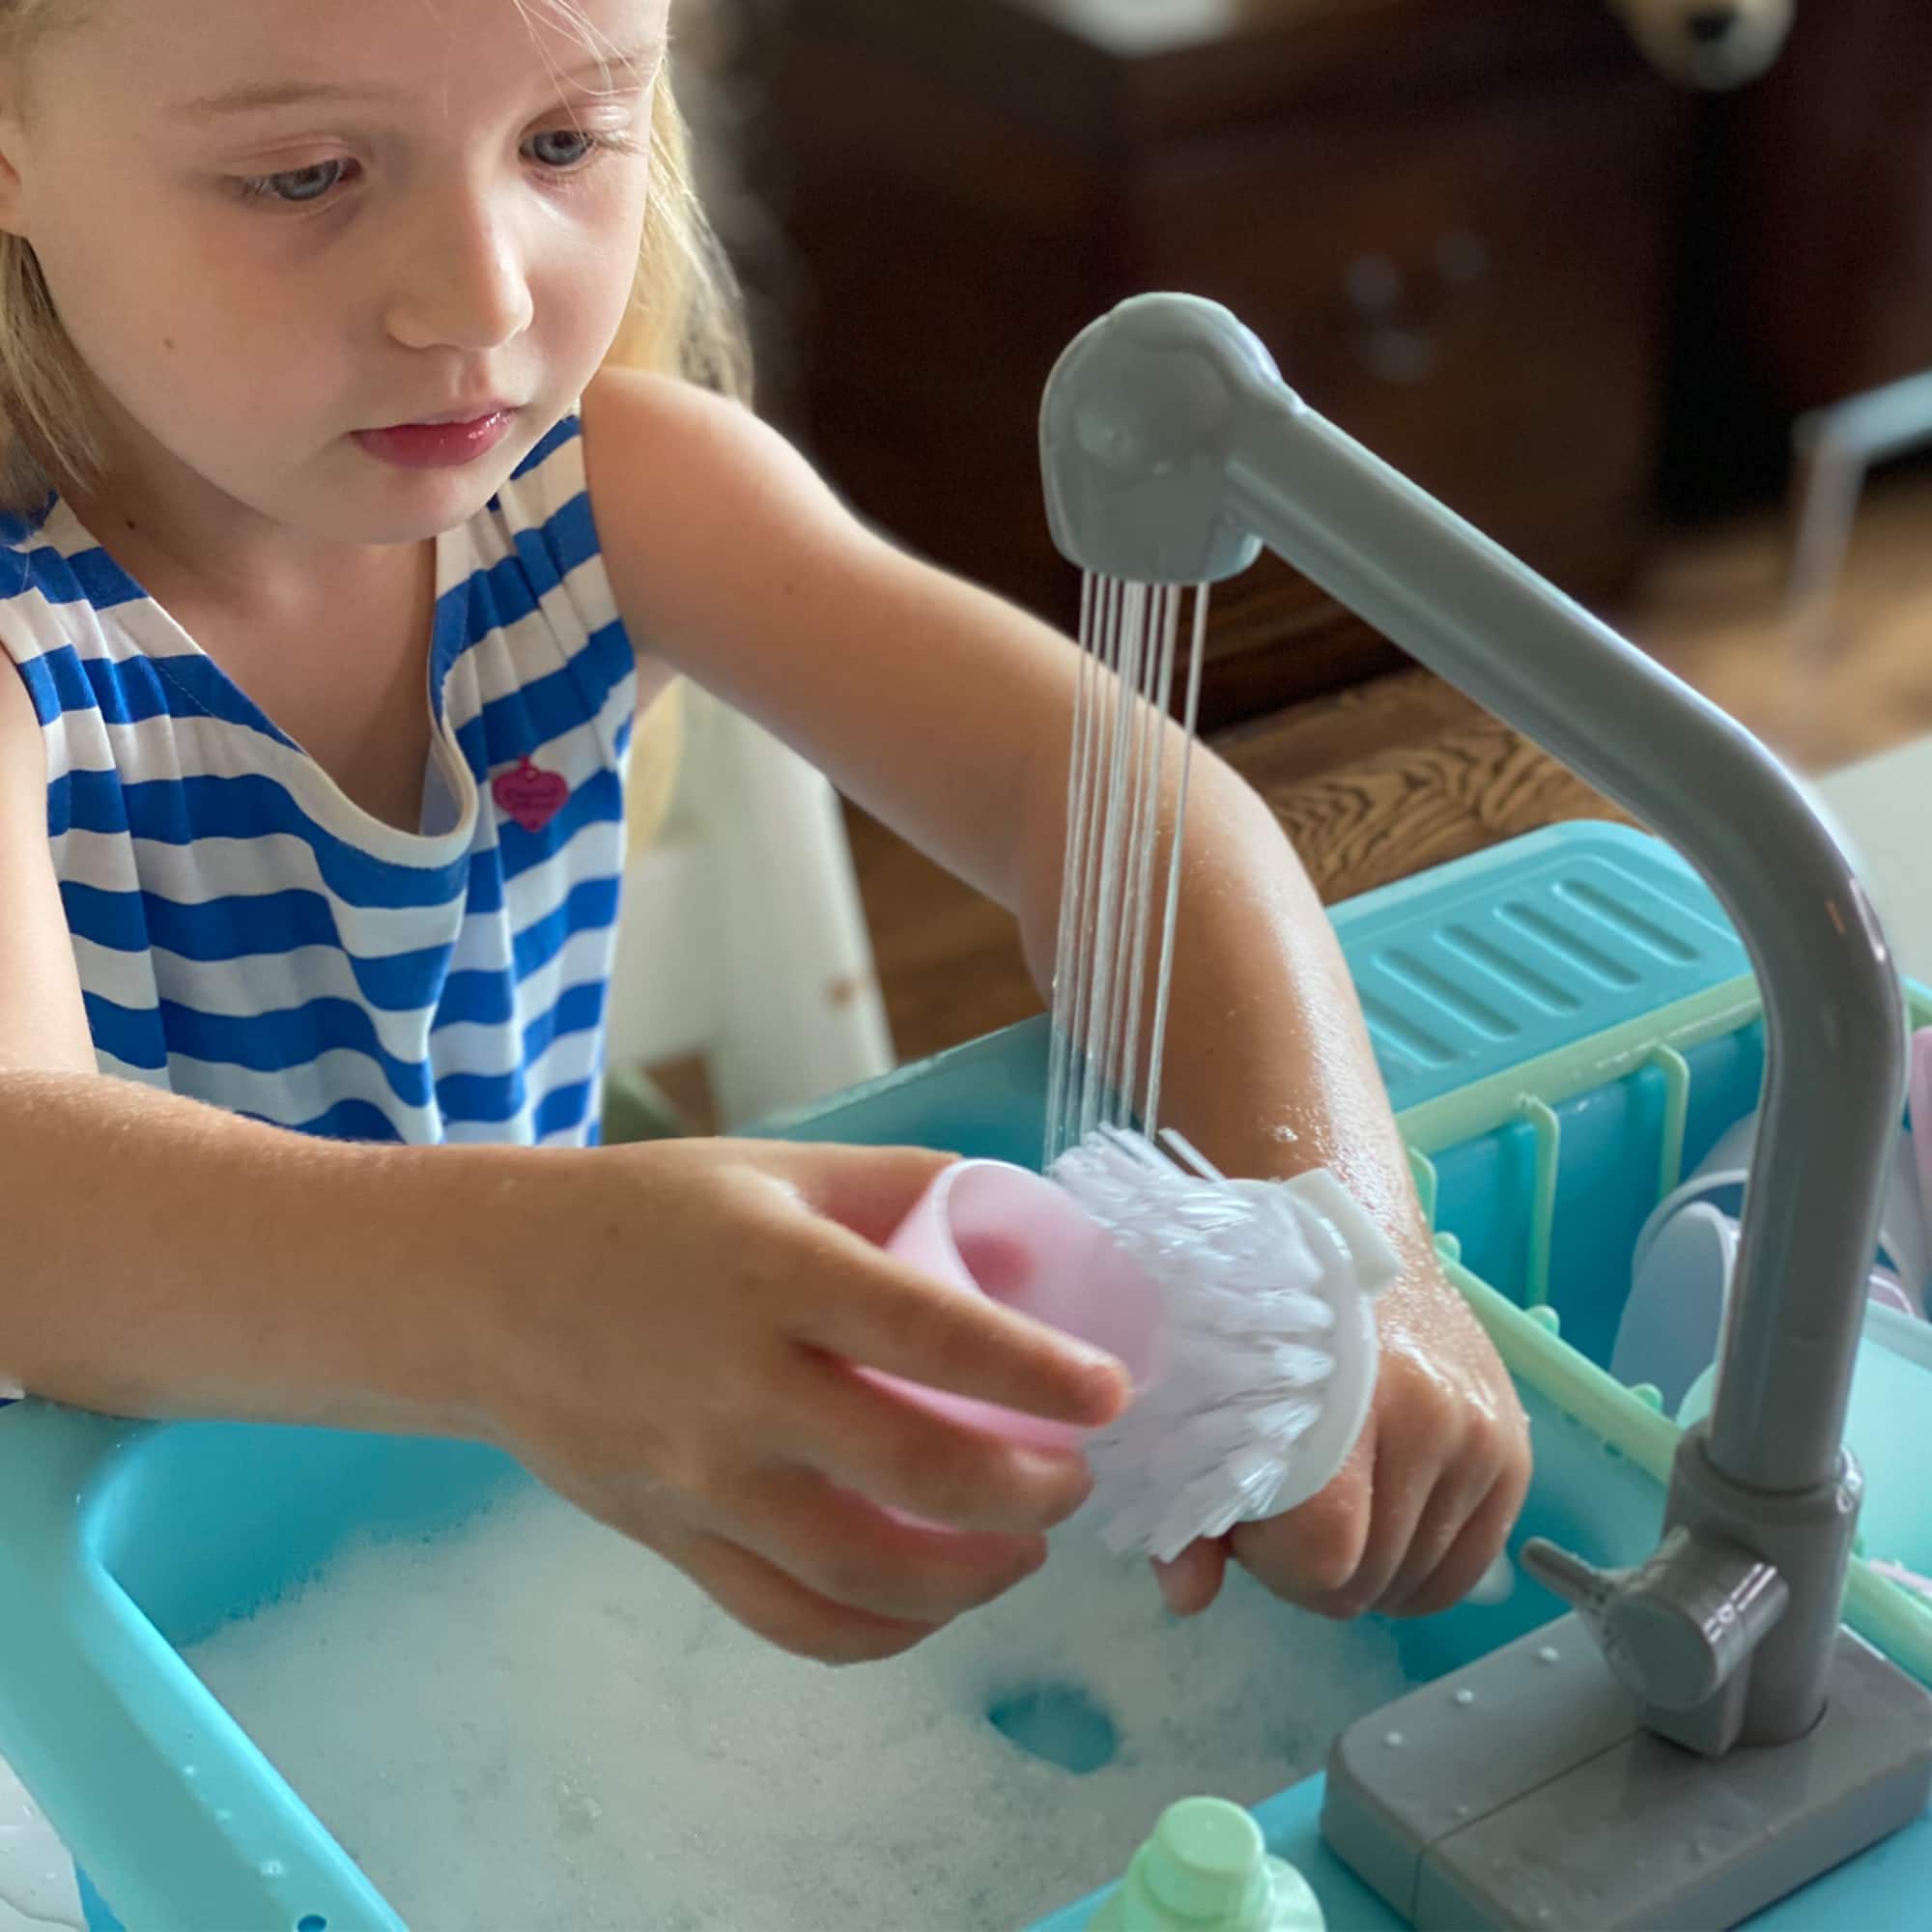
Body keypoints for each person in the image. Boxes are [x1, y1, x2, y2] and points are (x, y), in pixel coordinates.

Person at [0, 0, 1528, 1666]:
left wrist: (1347, 1247)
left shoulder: (608, 496)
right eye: (303, 176)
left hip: (483, 1502)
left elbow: (1114, 797)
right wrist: (533, 1293)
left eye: (566, 141)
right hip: (80, 1601)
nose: (483, 298)